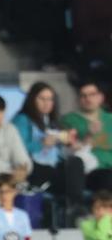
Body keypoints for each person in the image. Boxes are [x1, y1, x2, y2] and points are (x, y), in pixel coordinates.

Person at [13, 82, 86, 220]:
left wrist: (68, 145)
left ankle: (75, 207)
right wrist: (41, 143)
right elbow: (18, 149)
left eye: (50, 99)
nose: (47, 103)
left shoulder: (52, 122)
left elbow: (57, 154)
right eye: (42, 98)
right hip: (32, 168)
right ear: (32, 99)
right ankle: (73, 208)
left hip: (52, 168)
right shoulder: (22, 120)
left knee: (76, 162)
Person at [62, 81, 112, 193]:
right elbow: (70, 150)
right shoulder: (68, 120)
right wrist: (89, 135)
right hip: (91, 171)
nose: (88, 99)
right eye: (83, 95)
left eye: (92, 94)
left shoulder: (109, 119)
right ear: (79, 99)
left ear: (101, 97)